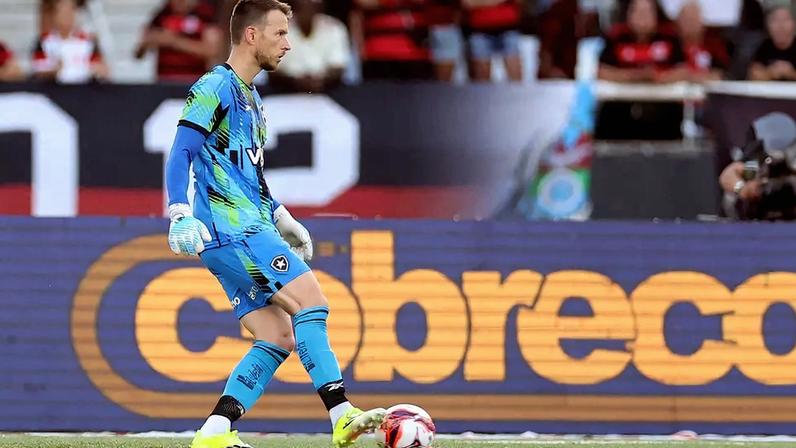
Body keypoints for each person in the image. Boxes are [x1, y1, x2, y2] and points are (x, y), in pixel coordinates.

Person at [164, 1, 386, 447]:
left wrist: (282, 216)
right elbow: (181, 151)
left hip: (244, 228)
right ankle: (341, 414)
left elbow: (251, 174)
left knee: (277, 335)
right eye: (280, 33)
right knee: (311, 302)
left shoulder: (252, 99)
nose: (288, 43)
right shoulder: (214, 86)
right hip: (233, 229)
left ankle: (215, 430)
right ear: (251, 36)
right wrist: (178, 211)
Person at [268, 0, 350, 92]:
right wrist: (297, 82)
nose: (308, 4)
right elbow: (273, 71)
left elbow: (338, 68)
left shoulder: (335, 28)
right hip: (285, 92)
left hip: (328, 92)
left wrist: (320, 81)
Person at [598, 0, 687, 83]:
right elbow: (601, 72)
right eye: (638, 12)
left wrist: (658, 78)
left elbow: (683, 70)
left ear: (655, 15)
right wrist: (634, 77)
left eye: (647, 13)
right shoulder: (616, 37)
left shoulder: (669, 37)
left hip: (663, 96)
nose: (642, 18)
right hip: (622, 97)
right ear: (629, 14)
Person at [136, 0, 222, 82]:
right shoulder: (161, 15)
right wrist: (149, 40)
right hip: (164, 82)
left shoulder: (204, 14)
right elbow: (138, 54)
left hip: (194, 81)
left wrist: (175, 41)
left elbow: (212, 51)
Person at [32, 0, 108, 83]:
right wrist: (54, 71)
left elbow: (100, 67)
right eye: (62, 12)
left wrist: (98, 70)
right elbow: (38, 70)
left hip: (83, 89)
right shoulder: (44, 41)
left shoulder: (88, 41)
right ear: (55, 15)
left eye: (70, 11)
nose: (67, 16)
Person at [462, 0, 523, 82]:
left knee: (516, 79)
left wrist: (482, 3)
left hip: (508, 27)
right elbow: (468, 3)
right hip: (479, 29)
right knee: (481, 79)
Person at [676, 0, 728, 81]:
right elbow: (655, 73)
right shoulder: (668, 47)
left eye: (694, 19)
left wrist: (698, 76)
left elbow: (723, 73)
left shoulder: (714, 48)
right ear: (678, 22)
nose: (691, 23)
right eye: (687, 19)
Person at [748, 4, 796, 81]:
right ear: (768, 26)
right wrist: (770, 72)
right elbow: (753, 75)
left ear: (794, 24)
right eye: (775, 20)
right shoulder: (763, 46)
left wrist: (791, 73)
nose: (781, 25)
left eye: (786, 19)